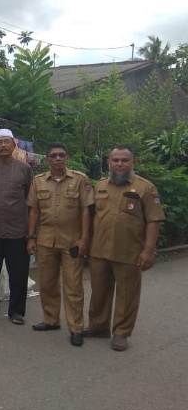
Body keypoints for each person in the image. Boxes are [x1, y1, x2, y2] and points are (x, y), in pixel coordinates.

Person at [85, 146, 165, 351]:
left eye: (124, 160)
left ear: (133, 162)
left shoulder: (146, 188)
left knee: (127, 294)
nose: (119, 164)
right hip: (100, 250)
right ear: (108, 162)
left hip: (129, 251)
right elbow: (91, 217)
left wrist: (148, 251)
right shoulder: (100, 185)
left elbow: (153, 221)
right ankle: (99, 326)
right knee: (99, 292)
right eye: (115, 160)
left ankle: (121, 332)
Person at [26, 143, 93, 347]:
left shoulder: (80, 180)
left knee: (73, 286)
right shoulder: (38, 182)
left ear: (67, 158)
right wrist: (30, 237)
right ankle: (51, 320)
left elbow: (85, 211)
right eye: (53, 155)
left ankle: (76, 328)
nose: (57, 158)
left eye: (61, 155)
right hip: (46, 241)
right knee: (47, 283)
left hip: (71, 241)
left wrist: (84, 239)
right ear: (47, 160)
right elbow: (34, 211)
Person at [0, 128, 33, 324]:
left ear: (13, 145)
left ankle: (16, 312)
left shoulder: (25, 169)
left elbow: (30, 200)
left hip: (17, 230)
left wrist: (31, 233)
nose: (2, 145)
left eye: (6, 142)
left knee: (18, 273)